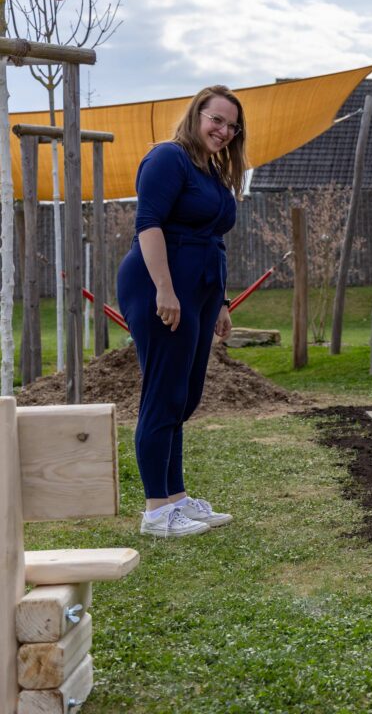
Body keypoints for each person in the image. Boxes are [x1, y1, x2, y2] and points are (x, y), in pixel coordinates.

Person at [117, 86, 244, 538]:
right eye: (217, 120)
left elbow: (214, 237)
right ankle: (156, 512)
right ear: (196, 115)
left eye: (232, 126)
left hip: (201, 290)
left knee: (184, 395)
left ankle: (176, 499)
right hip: (160, 285)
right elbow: (148, 224)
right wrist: (164, 290)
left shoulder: (210, 170)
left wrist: (222, 302)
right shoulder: (167, 158)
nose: (224, 131)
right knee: (163, 393)